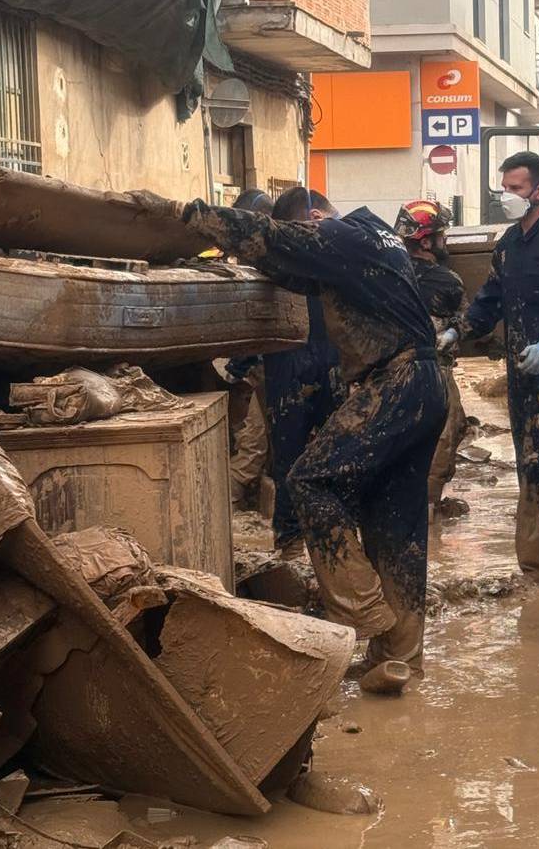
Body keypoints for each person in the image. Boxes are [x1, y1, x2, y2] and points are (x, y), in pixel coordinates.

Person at [132, 187, 447, 696]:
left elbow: (268, 238)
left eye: (305, 232)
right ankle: (400, 660)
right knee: (397, 526)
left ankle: (368, 614)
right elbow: (293, 272)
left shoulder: (339, 236)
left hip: (397, 383)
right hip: (425, 385)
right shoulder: (377, 237)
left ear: (315, 220)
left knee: (310, 479)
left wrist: (185, 213)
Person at [440, 151, 539, 584]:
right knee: (531, 466)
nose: (508, 196)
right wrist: (458, 331)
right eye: (503, 189)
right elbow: (490, 298)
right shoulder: (508, 243)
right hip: (523, 380)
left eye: (516, 189)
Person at [263, 187, 344, 558]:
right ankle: (292, 548)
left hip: (335, 366)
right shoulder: (275, 262)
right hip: (290, 368)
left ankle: (337, 546)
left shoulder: (342, 252)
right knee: (289, 463)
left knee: (341, 461)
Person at [395, 199, 469, 516]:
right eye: (441, 234)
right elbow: (466, 321)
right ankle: (425, 510)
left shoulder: (387, 273)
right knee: (445, 433)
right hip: (434, 372)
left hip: (391, 373)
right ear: (426, 241)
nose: (446, 241)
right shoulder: (446, 281)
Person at [225, 190, 281, 512]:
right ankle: (231, 512)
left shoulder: (266, 265)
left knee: (255, 447)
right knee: (254, 447)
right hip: (269, 369)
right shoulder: (264, 264)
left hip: (273, 368)